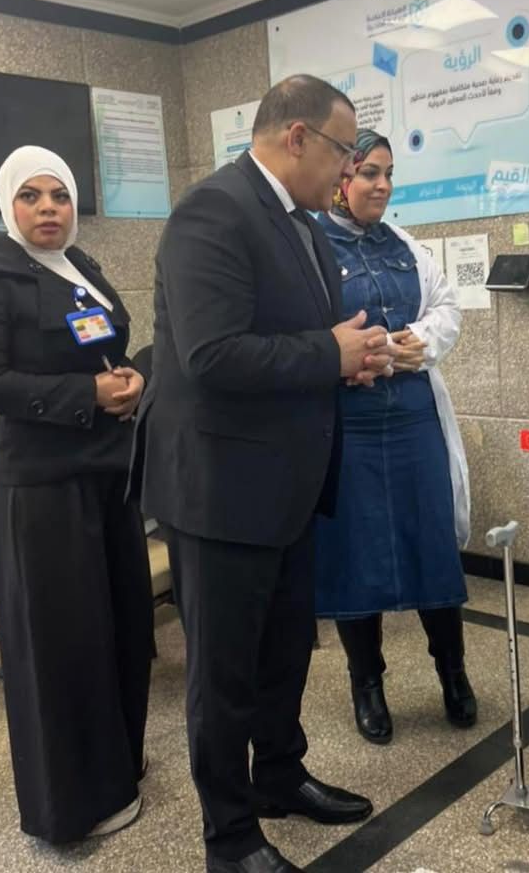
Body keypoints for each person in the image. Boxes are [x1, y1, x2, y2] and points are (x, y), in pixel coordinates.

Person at [132, 76, 394, 873]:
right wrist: (327, 353)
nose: (348, 170)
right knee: (224, 674)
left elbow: (298, 341)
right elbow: (209, 355)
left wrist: (345, 362)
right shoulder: (211, 212)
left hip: (287, 483)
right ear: (296, 137)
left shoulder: (302, 225)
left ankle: (279, 775)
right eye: (343, 151)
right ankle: (231, 836)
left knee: (284, 652)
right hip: (220, 490)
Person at [0, 146, 153, 843]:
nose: (48, 209)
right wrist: (87, 394)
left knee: (122, 626)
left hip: (109, 474)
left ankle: (119, 765)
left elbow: (104, 350)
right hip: (43, 486)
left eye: (59, 196)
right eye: (31, 196)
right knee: (64, 645)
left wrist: (130, 381)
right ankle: (74, 804)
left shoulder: (82, 266)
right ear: (8, 205)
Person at [315, 128, 476, 745]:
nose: (381, 185)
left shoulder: (406, 246)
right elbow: (299, 333)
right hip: (350, 425)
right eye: (369, 173)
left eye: (388, 174)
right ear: (341, 178)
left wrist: (421, 341)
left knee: (431, 542)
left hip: (413, 419)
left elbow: (447, 307)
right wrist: (351, 351)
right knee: (355, 554)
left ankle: (453, 673)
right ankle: (367, 684)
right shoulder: (311, 247)